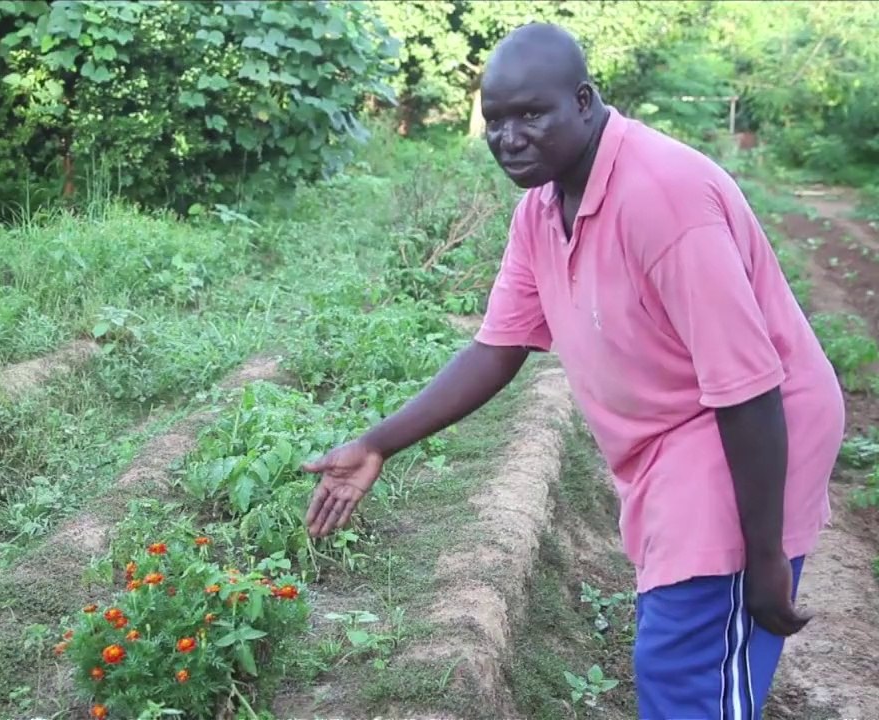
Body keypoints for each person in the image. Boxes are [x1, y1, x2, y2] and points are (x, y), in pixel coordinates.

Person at [301, 22, 845, 720]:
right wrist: (377, 443)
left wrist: (764, 556)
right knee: (677, 654)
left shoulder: (663, 198)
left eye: (532, 114)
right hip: (674, 436)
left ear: (584, 102)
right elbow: (497, 348)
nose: (510, 138)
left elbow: (749, 388)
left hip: (744, 434)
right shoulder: (541, 208)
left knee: (690, 671)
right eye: (496, 120)